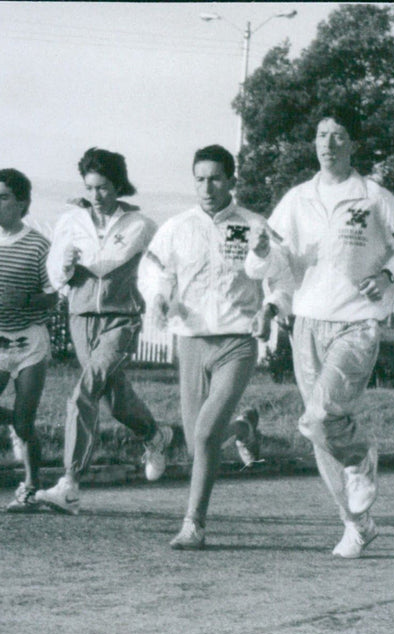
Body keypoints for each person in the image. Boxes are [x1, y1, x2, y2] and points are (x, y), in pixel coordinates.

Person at [246, 112, 394, 558]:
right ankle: (355, 522)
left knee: (320, 416)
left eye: (338, 136)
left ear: (353, 146)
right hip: (306, 322)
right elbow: (273, 267)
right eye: (321, 135)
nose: (328, 143)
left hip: (357, 321)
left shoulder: (375, 199)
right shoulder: (296, 199)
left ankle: (362, 457)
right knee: (319, 431)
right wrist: (262, 255)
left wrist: (389, 276)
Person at [138, 144, 290, 550]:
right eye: (200, 178)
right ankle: (242, 427)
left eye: (216, 178)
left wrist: (270, 309)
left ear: (231, 181)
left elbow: (280, 275)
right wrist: (157, 295)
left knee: (205, 433)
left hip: (237, 342)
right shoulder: (177, 227)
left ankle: (194, 524)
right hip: (191, 341)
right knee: (196, 444)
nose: (207, 187)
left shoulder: (255, 225)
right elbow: (155, 270)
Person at [35, 147, 172, 515]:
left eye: (104, 187)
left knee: (84, 391)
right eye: (90, 188)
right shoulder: (70, 222)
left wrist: (159, 299)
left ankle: (70, 483)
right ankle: (155, 436)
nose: (97, 196)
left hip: (121, 319)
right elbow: (54, 276)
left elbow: (159, 269)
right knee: (112, 398)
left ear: (119, 185)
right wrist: (64, 266)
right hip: (81, 318)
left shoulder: (141, 226)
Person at [0, 168, 57, 511]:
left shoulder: (38, 246)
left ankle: (31, 486)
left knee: (25, 422)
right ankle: (16, 426)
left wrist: (27, 300)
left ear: (22, 204)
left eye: (3, 197)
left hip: (29, 345)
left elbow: (53, 296)